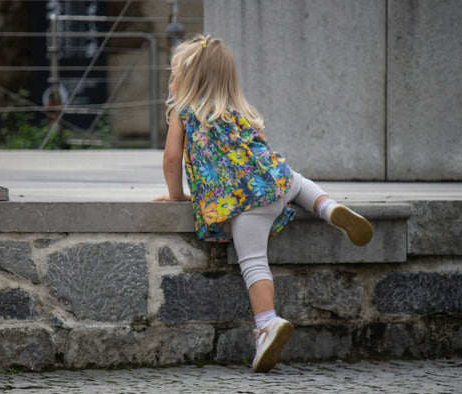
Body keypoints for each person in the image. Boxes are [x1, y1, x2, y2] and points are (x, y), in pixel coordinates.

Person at [154, 35, 373, 373]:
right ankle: (328, 208)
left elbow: (171, 160)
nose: (170, 80)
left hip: (242, 206)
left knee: (254, 263)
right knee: (295, 180)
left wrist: (175, 194)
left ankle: (268, 323)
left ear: (186, 79)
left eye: (173, 74)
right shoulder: (240, 111)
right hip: (275, 183)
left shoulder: (182, 113)